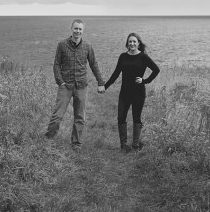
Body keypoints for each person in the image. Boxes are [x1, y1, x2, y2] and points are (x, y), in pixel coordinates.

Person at [44, 19, 105, 149]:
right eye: (75, 28)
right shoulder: (62, 45)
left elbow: (94, 65)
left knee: (79, 117)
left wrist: (101, 82)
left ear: (83, 31)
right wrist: (60, 81)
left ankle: (76, 143)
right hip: (65, 86)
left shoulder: (88, 46)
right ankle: (48, 139)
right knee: (57, 116)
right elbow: (56, 65)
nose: (77, 31)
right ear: (71, 29)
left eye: (80, 29)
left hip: (81, 86)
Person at [104, 32, 159, 152]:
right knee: (121, 117)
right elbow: (115, 74)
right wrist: (105, 86)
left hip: (138, 93)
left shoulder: (143, 57)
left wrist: (145, 80)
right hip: (124, 93)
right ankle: (123, 146)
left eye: (134, 41)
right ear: (127, 44)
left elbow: (156, 69)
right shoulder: (123, 56)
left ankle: (135, 146)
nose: (132, 43)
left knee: (136, 118)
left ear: (138, 43)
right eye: (130, 41)